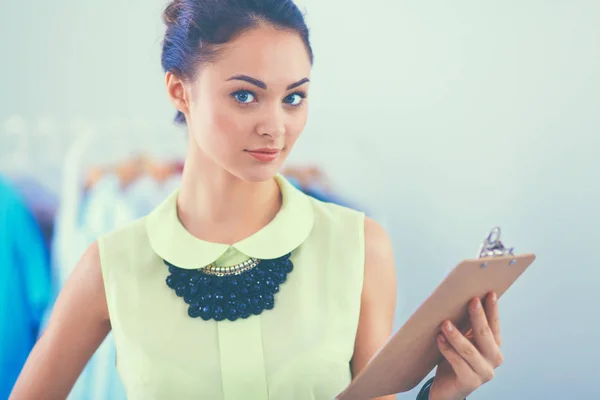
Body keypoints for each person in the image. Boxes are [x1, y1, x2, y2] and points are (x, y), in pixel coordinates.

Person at [10, 0, 505, 399]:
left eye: (293, 97)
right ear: (180, 91)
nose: (276, 126)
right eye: (245, 95)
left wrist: (445, 394)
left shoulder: (360, 247)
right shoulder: (110, 265)